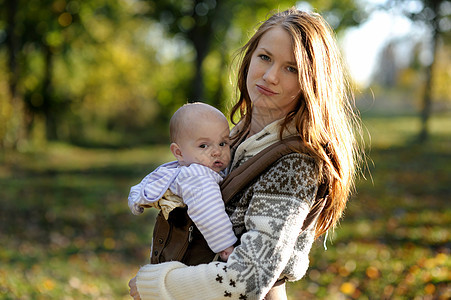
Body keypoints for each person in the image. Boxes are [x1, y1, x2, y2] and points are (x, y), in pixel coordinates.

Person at [129, 7, 362, 300]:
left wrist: (159, 285)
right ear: (250, 57)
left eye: (291, 68)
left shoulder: (296, 163)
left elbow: (247, 280)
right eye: (265, 57)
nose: (270, 76)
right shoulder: (232, 139)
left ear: (311, 82)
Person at [128, 102, 237, 261]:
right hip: (183, 254)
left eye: (223, 143)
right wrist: (225, 246)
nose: (216, 152)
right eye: (203, 145)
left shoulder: (203, 168)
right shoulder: (197, 176)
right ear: (179, 152)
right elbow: (207, 209)